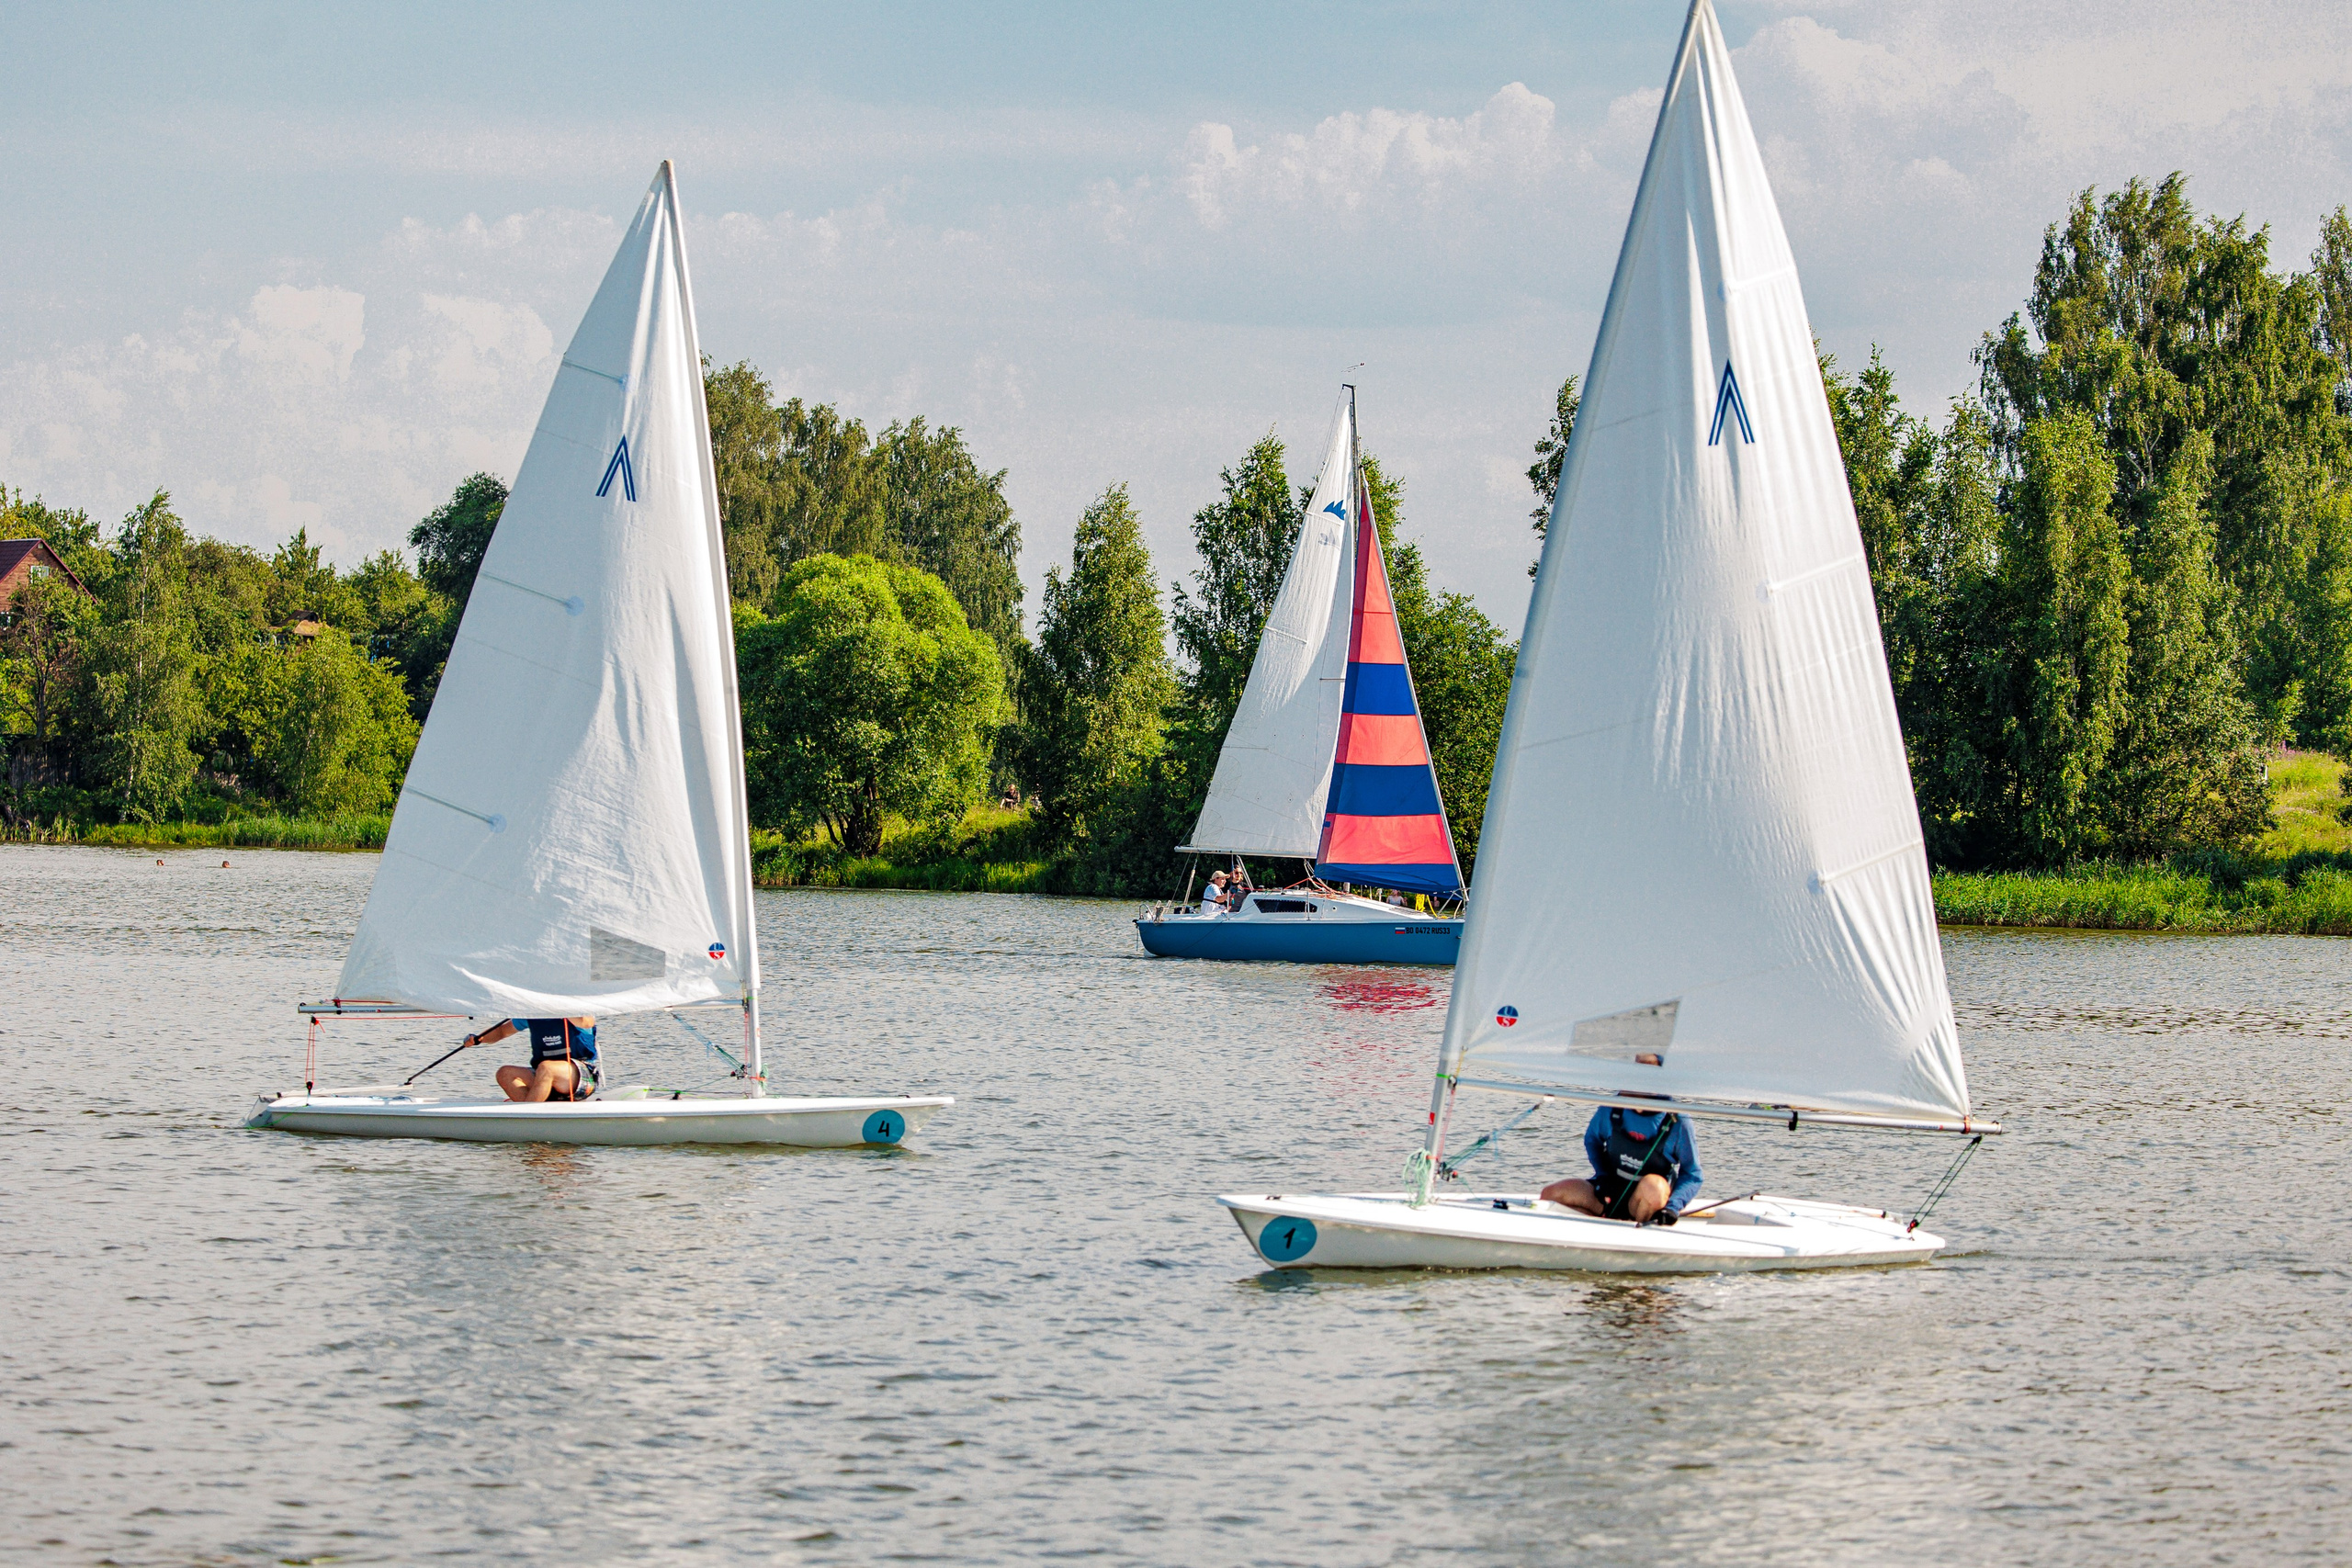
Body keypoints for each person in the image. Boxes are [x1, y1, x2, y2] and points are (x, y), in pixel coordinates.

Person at [1539, 1090, 1702, 1224]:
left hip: (1646, 1202)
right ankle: (1599, 1227)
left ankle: (1637, 1231)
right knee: (1550, 1195)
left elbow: (1693, 1174)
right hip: (1610, 1192)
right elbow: (1592, 1140)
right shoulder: (1611, 1109)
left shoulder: (1678, 1121)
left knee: (1654, 1188)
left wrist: (1673, 1208)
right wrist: (1603, 1174)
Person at [461, 1016, 600, 1102]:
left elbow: (586, 1022)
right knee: (505, 1073)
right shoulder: (532, 1014)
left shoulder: (575, 1009)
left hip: (581, 1078)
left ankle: (529, 1115)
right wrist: (478, 1039)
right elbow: (502, 1031)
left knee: (547, 1068)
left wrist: (558, 1005)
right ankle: (532, 1108)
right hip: (545, 1077)